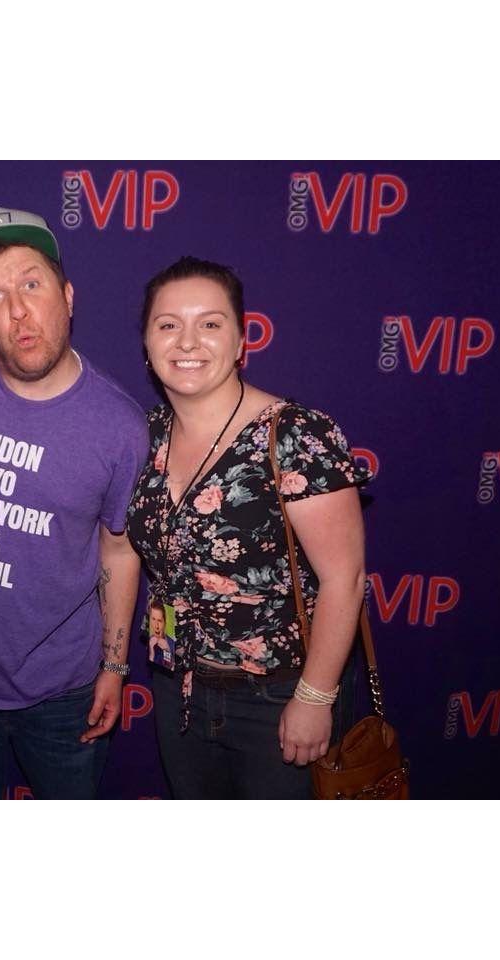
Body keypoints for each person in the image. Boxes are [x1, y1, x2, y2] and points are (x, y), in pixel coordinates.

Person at [0, 207, 148, 799]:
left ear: (67, 296)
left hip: (64, 693)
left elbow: (118, 553)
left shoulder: (119, 426)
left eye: (31, 285)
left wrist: (115, 669)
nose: (17, 310)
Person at [126, 257, 368, 799]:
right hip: (178, 690)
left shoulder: (296, 435)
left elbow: (345, 579)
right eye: (168, 325)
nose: (187, 342)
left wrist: (314, 696)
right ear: (146, 343)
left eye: (210, 324)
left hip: (279, 698)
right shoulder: (142, 436)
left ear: (241, 341)